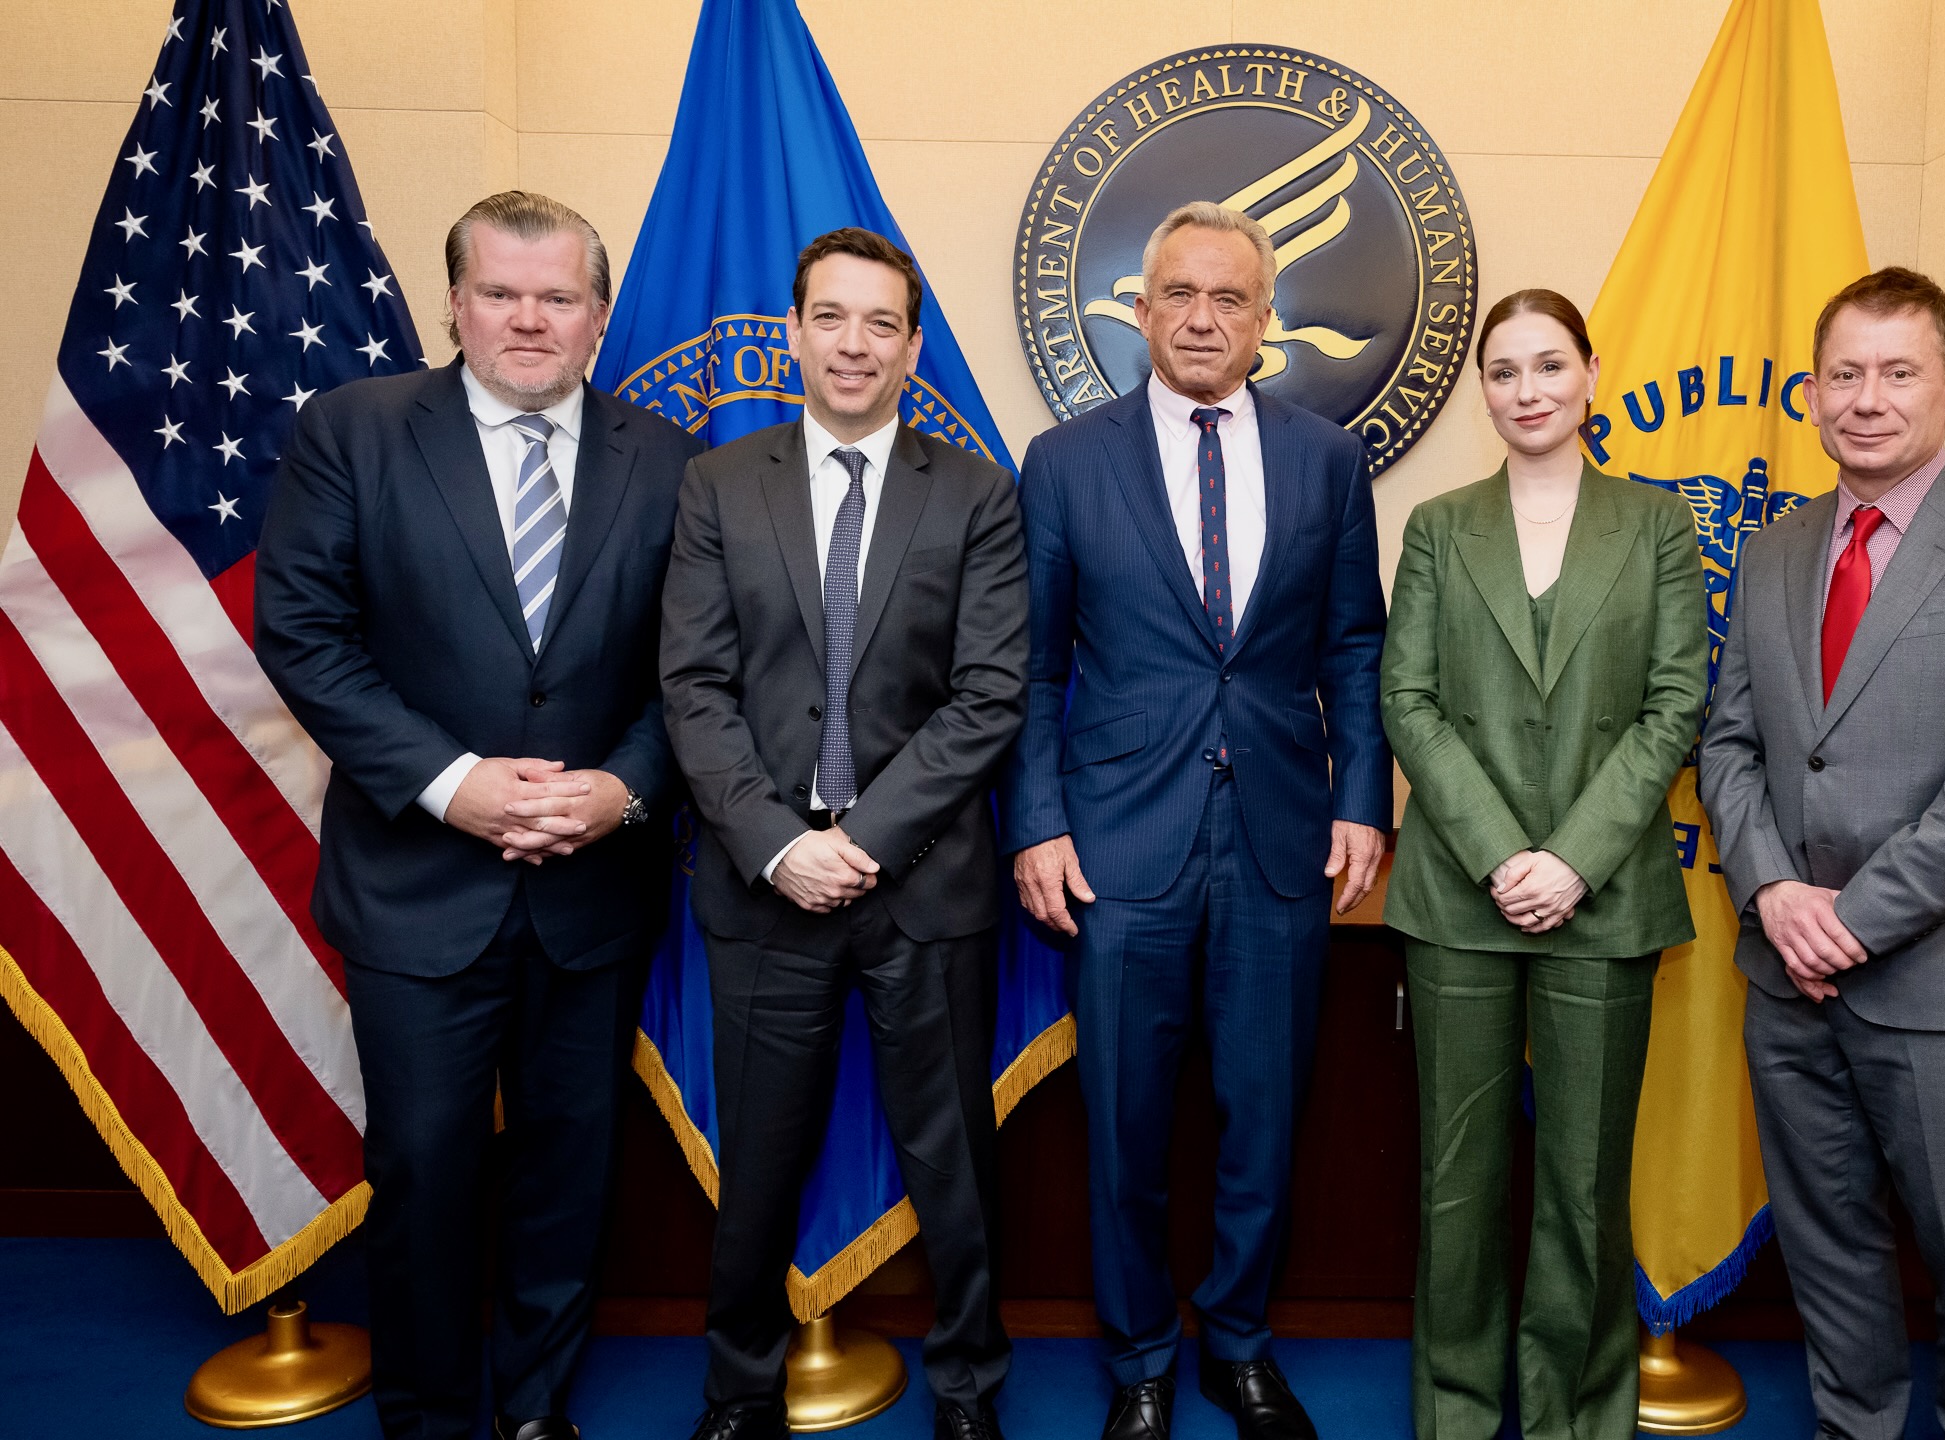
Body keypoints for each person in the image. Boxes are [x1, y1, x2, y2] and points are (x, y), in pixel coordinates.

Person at [254, 192, 701, 1440]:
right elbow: (304, 638)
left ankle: (536, 1408)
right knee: (427, 1171)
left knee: (569, 1173)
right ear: (451, 300)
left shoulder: (670, 461)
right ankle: (435, 1414)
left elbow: (698, 673)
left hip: (592, 888)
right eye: (499, 292)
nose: (527, 319)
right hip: (417, 884)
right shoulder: (353, 432)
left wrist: (624, 788)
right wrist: (458, 785)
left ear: (601, 317)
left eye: (558, 297)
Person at [1000, 201, 1390, 1440]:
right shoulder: (1066, 462)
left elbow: (1353, 647)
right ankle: (1141, 1362)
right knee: (1124, 1123)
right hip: (1117, 845)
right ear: (1142, 308)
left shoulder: (1328, 460)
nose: (1204, 317)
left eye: (1230, 297)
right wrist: (1038, 823)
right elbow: (1029, 667)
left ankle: (1239, 1343)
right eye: (1179, 294)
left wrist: (1364, 801)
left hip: (1282, 839)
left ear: (1266, 318)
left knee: (1264, 1116)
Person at [1697, 267, 1945, 1440]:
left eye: (1897, 372)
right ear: (1812, 392)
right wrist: (1774, 889)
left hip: (1944, 992)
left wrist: (1850, 920)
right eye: (1843, 374)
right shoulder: (1776, 550)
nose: (1865, 399)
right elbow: (1731, 740)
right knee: (1829, 1259)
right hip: (1786, 980)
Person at [660, 227, 1026, 1440]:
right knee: (757, 1161)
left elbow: (989, 696)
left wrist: (859, 837)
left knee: (955, 1163)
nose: (855, 344)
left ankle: (970, 1387)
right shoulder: (721, 484)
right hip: (764, 883)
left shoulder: (974, 491)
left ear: (914, 348)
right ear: (796, 332)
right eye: (832, 318)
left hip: (923, 884)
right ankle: (736, 1389)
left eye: (881, 324)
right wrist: (779, 842)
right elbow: (694, 689)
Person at [1381, 289, 1708, 1440]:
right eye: (1505, 370)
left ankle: (1573, 1416)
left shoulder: (1658, 525)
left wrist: (1567, 860)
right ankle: (1460, 1416)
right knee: (1457, 1188)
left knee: (1581, 1183)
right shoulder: (1436, 524)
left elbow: (1677, 706)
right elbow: (1405, 700)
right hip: (1456, 900)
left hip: (1606, 897)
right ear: (1485, 389)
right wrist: (1498, 854)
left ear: (1591, 376)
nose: (1528, 389)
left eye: (1549, 365)